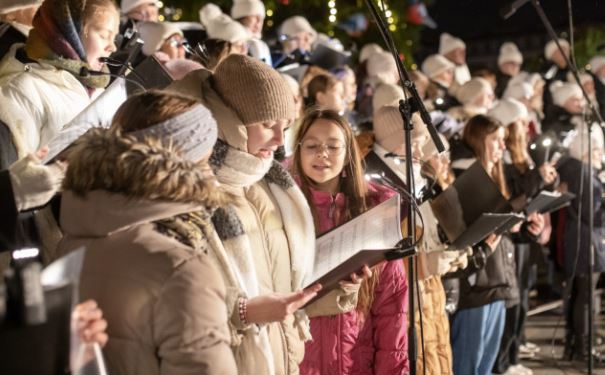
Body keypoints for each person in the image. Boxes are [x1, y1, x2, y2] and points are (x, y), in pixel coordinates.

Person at [169, 54, 365, 375]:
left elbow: (286, 293)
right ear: (228, 118)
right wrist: (244, 312)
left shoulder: (272, 185)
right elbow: (175, 303)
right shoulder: (188, 187)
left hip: (281, 361)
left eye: (284, 127)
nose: (278, 140)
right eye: (266, 124)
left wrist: (337, 286)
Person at [57, 90, 237, 375]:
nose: (211, 177)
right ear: (178, 168)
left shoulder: (73, 234)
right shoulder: (181, 267)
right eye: (203, 163)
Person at [291, 108, 409, 374]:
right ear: (298, 151)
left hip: (355, 359)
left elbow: (392, 307)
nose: (322, 153)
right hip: (300, 361)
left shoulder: (376, 211)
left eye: (333, 146)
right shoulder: (285, 209)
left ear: (347, 156)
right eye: (312, 145)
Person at [449, 115, 520, 375]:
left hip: (497, 281)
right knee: (467, 364)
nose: (503, 146)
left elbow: (502, 232)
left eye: (504, 140)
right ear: (480, 140)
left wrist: (524, 228)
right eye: (496, 140)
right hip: (476, 286)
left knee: (485, 365)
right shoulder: (464, 175)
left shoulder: (494, 174)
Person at [557, 123, 605, 362]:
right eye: (596, 148)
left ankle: (576, 345)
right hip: (585, 240)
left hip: (581, 237)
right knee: (584, 297)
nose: (600, 153)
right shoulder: (583, 171)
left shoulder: (578, 169)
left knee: (580, 295)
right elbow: (591, 212)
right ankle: (582, 348)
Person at [231, 0, 272, 65]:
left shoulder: (263, 46)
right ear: (241, 18)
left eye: (261, 18)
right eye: (255, 16)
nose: (259, 21)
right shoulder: (231, 45)